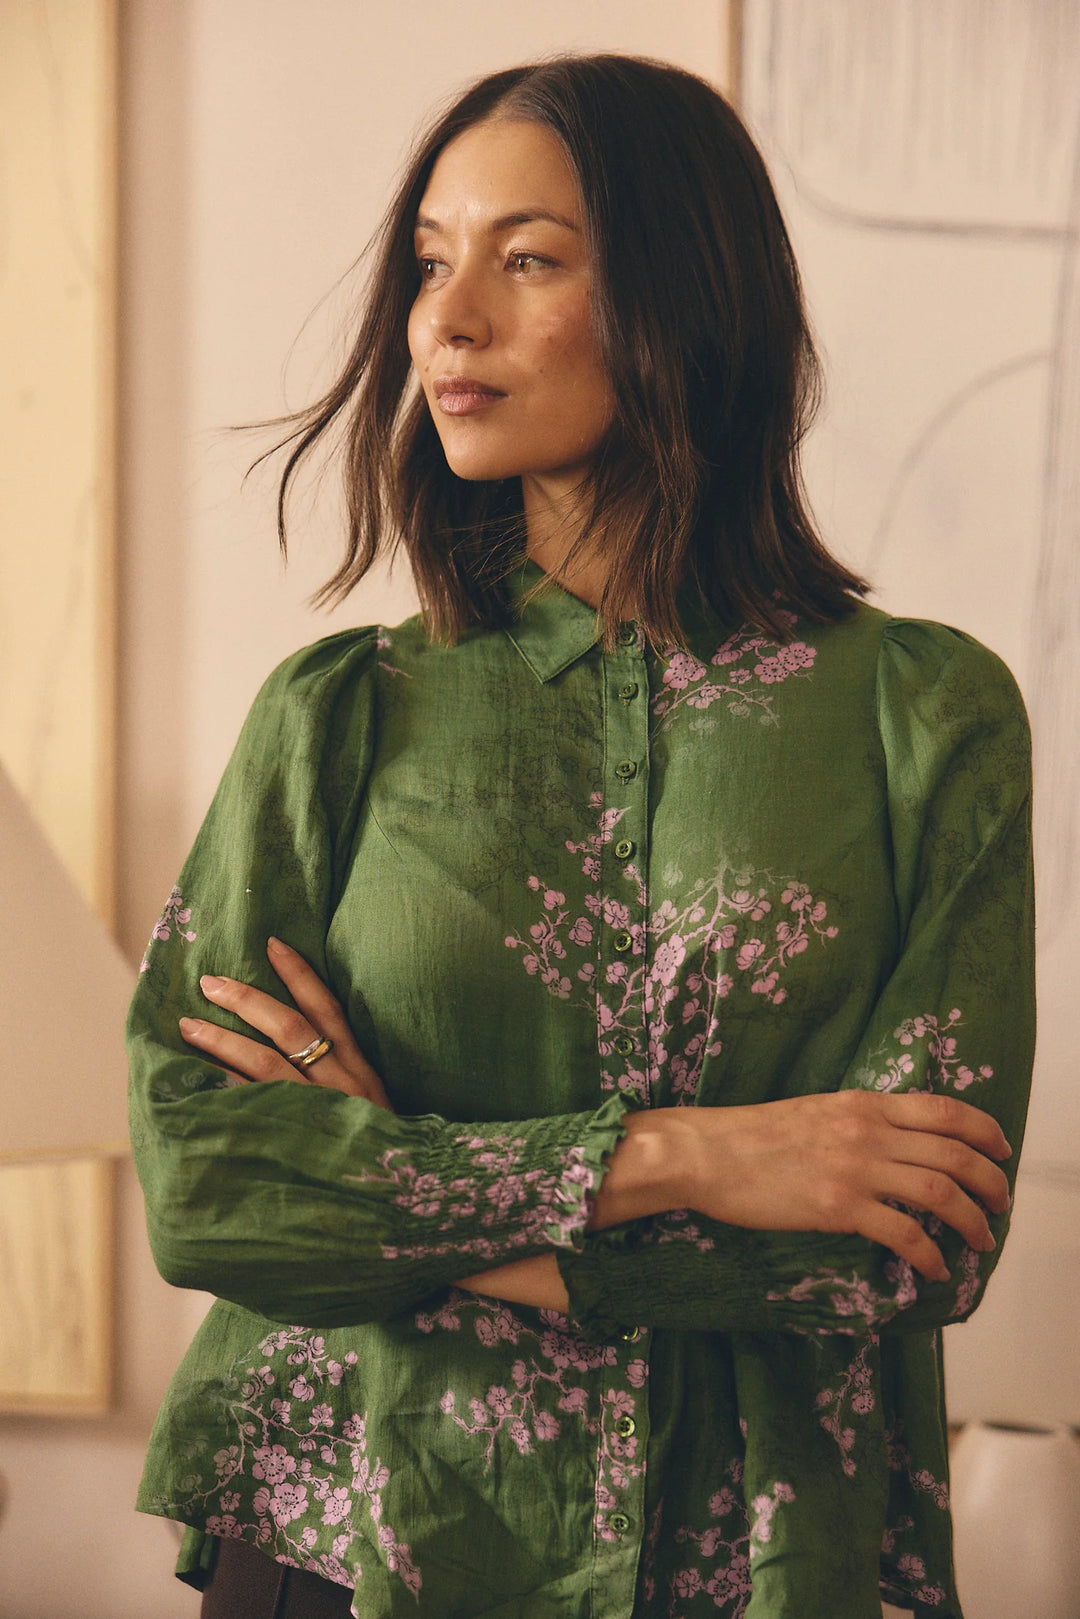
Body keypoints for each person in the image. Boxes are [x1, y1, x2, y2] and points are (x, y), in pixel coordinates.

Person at [127, 54, 1035, 1619]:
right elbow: (211, 1184)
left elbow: (908, 1251)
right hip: (351, 1539)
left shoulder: (924, 715)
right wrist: (702, 1157)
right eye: (429, 262)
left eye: (525, 258)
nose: (446, 319)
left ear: (685, 299)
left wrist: (407, 1195)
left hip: (754, 1559)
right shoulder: (337, 715)